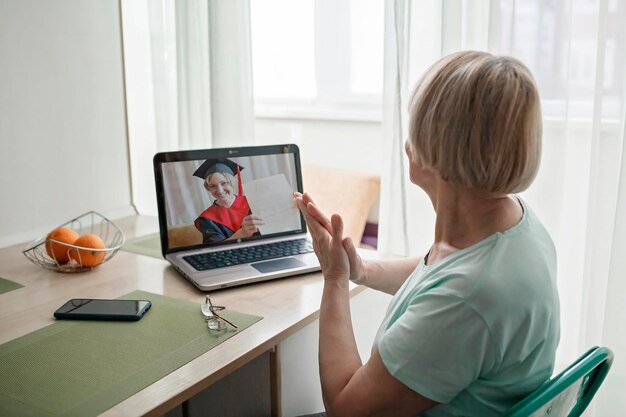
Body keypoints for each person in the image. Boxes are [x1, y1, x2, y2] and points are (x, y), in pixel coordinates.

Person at [294, 51, 560, 417]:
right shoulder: (515, 223)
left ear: (443, 150)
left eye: (417, 125)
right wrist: (362, 270)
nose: (407, 140)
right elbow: (442, 272)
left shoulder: (469, 299)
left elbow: (344, 408)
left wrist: (336, 278)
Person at [193, 158, 263, 244]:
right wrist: (242, 233)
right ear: (208, 188)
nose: (220, 190)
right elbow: (214, 250)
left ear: (232, 183)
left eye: (224, 183)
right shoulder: (207, 219)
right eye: (213, 186)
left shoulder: (253, 202)